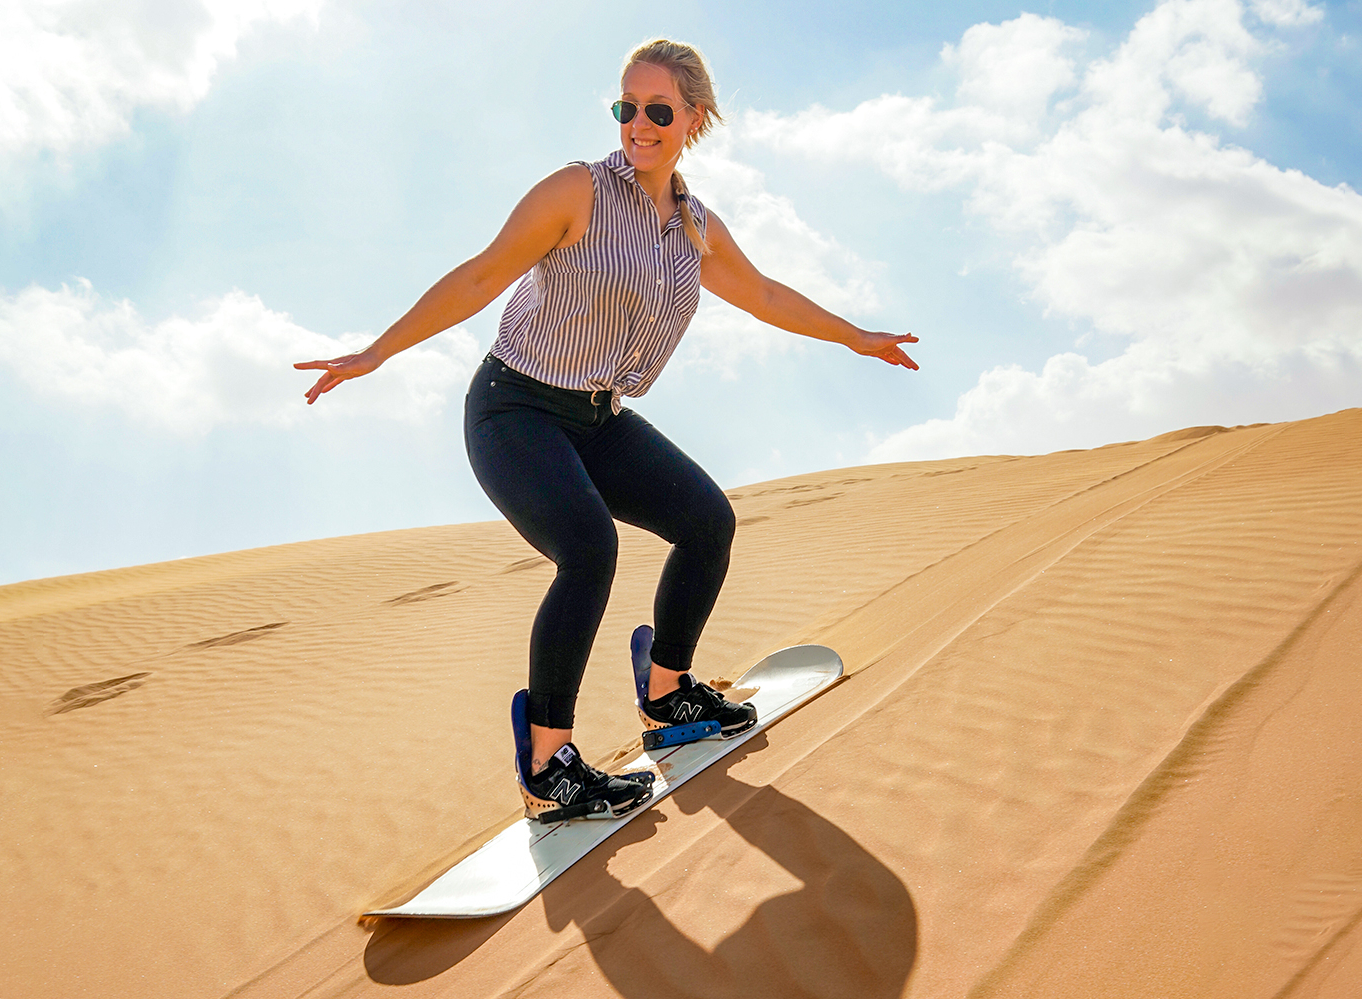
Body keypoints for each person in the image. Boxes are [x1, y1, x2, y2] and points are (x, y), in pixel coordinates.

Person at [296, 39, 917, 822]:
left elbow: (760, 292)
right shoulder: (576, 191)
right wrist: (376, 351)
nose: (640, 124)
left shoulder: (694, 227)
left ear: (694, 118)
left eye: (659, 110)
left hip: (597, 415)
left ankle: (667, 695)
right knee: (588, 549)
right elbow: (484, 274)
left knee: (706, 520)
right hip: (514, 407)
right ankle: (548, 764)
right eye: (627, 107)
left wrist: (854, 336)